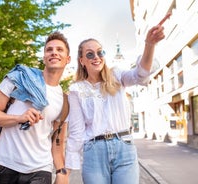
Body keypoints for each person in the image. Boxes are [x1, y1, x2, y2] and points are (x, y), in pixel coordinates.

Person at [65, 25, 165, 184]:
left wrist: (149, 44)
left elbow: (141, 74)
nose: (96, 57)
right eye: (90, 54)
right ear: (82, 60)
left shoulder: (117, 75)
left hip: (124, 148)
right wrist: (67, 168)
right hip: (93, 153)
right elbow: (77, 131)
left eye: (100, 52)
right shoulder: (76, 89)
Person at [0, 31, 71, 184]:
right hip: (7, 163)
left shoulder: (64, 101)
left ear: (67, 59)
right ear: (44, 57)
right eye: (49, 49)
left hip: (40, 166)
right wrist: (19, 118)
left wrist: (61, 171)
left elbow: (58, 142)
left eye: (59, 50)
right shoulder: (19, 77)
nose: (54, 53)